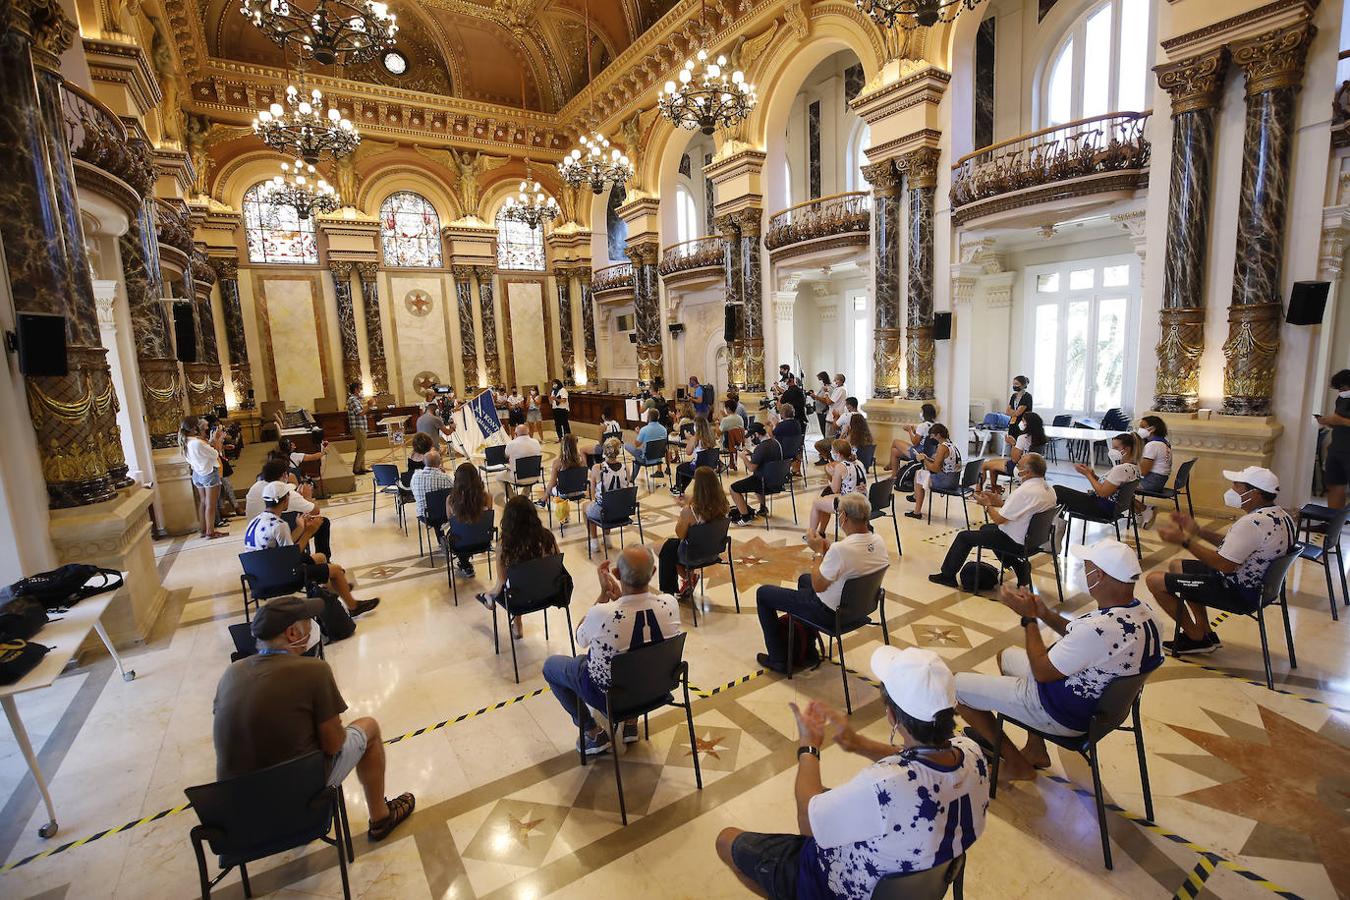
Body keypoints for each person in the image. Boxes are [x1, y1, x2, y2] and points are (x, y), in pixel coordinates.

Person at [717, 647, 987, 899]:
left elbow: (808, 823)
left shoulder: (882, 786)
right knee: (829, 798)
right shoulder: (973, 753)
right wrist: (858, 743)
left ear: (891, 716)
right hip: (928, 878)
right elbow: (919, 762)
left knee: (726, 840)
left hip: (838, 885)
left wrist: (808, 746)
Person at [957, 539, 1162, 781]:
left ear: (1101, 575)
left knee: (958, 688)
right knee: (1006, 657)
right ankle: (1036, 749)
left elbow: (1042, 671)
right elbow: (1079, 633)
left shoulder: (1096, 630)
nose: (1084, 572)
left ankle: (1016, 765)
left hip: (1061, 712)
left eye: (1087, 567)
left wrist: (1029, 619)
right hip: (1102, 710)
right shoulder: (1143, 614)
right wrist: (1043, 612)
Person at [212, 596, 414, 841]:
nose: (313, 627)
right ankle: (381, 818)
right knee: (368, 728)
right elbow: (334, 744)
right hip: (300, 800)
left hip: (241, 811)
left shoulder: (231, 674)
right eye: (309, 622)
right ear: (292, 632)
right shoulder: (314, 671)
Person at [542, 548, 682, 756]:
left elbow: (580, 637)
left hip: (609, 697)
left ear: (616, 574)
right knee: (641, 657)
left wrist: (603, 597)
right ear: (653, 572)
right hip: (656, 688)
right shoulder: (670, 604)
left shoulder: (603, 614)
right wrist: (620, 600)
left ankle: (592, 732)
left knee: (551, 667)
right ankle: (631, 721)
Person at [1146, 466, 1296, 655]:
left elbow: (1223, 564)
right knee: (1178, 566)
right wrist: (1198, 532)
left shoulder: (1251, 523)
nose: (1232, 489)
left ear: (1255, 493)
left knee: (1154, 581)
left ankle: (1194, 637)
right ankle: (1205, 632)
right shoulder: (1280, 515)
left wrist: (1184, 541)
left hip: (1238, 592)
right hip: (1260, 589)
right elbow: (1235, 548)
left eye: (1237, 486)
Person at [755, 493, 888, 673]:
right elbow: (851, 563)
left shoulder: (841, 549)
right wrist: (827, 549)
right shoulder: (878, 541)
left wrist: (818, 552)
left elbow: (819, 585)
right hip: (860, 609)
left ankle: (778, 659)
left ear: (844, 517)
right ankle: (808, 648)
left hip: (830, 614)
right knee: (804, 580)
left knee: (764, 594)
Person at [242, 482, 377, 617]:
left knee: (321, 558)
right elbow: (292, 556)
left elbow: (285, 548)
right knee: (335, 569)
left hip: (259, 578)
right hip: (279, 578)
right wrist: (309, 531)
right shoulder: (279, 525)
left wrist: (301, 528)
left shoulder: (256, 521)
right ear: (285, 500)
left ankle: (333, 591)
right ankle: (353, 606)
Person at [929, 453, 1057, 590]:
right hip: (1034, 541)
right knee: (985, 529)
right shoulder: (1049, 490)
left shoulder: (1024, 491)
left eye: (1018, 466)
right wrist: (999, 502)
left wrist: (987, 505)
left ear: (1027, 472)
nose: (1016, 467)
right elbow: (1023, 509)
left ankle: (947, 576)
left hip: (1014, 541)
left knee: (964, 537)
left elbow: (999, 520)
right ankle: (1019, 566)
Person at [476, 495, 559, 639]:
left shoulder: (505, 544)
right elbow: (557, 565)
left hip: (520, 599)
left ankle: (514, 621)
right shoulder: (547, 537)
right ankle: (490, 597)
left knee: (514, 584)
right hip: (549, 592)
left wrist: (495, 592)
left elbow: (502, 581)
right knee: (523, 579)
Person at [659, 466, 729, 602]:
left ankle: (676, 586)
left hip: (692, 555)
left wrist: (684, 512)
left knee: (666, 549)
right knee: (670, 548)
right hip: (714, 552)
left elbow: (680, 535)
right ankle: (687, 578)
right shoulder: (724, 505)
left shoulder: (689, 512)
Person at [1053, 432, 1140, 520]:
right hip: (1111, 507)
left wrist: (1087, 475)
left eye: (1116, 448)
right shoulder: (1134, 468)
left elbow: (1102, 493)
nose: (1112, 450)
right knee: (1058, 492)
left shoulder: (1121, 469)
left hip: (1103, 508)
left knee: (1057, 490)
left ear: (1127, 449)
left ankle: (1048, 526)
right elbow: (1110, 487)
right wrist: (1093, 475)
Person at [807, 439, 867, 539]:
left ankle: (811, 535)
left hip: (849, 502)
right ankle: (821, 532)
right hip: (862, 498)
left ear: (838, 454)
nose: (831, 453)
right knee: (824, 498)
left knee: (816, 503)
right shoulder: (858, 462)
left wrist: (832, 476)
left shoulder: (840, 466)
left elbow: (835, 489)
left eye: (832, 451)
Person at [181, 416, 227, 539]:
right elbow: (216, 453)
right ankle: (210, 532)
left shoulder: (186, 441)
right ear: (194, 428)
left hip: (197, 473)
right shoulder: (198, 443)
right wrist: (217, 439)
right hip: (209, 473)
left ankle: (203, 530)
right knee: (211, 504)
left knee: (203, 502)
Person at [979, 411, 1047, 492]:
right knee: (992, 465)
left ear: (1028, 424)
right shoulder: (1042, 439)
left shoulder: (1023, 438)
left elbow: (1014, 459)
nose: (1021, 423)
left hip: (1019, 468)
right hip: (1035, 470)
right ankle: (994, 488)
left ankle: (978, 491)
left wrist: (1013, 444)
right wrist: (1015, 444)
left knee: (984, 465)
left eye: (1023, 421)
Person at [730, 426, 785, 525]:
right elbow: (765, 459)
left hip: (765, 483)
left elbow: (751, 468)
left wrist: (743, 457)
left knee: (733, 488)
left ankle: (745, 517)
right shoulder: (776, 443)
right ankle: (763, 508)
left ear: (756, 434)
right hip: (778, 481)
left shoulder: (761, 447)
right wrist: (752, 454)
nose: (751, 439)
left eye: (751, 437)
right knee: (753, 480)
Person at [905, 423, 961, 519]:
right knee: (921, 474)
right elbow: (941, 463)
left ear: (938, 435)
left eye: (932, 436)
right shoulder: (951, 444)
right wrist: (927, 458)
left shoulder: (942, 447)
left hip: (947, 481)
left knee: (919, 474)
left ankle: (917, 511)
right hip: (954, 479)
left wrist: (923, 460)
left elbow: (935, 468)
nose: (931, 438)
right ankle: (916, 498)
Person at [587, 438, 634, 546]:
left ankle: (594, 542)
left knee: (586, 507)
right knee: (612, 500)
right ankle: (607, 538)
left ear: (604, 451)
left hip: (606, 513)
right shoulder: (626, 468)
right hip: (622, 511)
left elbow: (592, 493)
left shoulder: (597, 467)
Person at [1316, 369, 1350, 510]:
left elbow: (1343, 420)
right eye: (1339, 389)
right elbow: (1340, 421)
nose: (1341, 392)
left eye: (1343, 388)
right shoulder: (1341, 399)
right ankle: (1331, 522)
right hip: (1337, 448)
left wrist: (1340, 420)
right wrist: (1328, 421)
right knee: (1334, 485)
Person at [1134, 415, 1172, 528]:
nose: (1139, 429)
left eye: (1142, 427)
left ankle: (1144, 509)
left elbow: (1143, 472)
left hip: (1152, 481)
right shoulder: (1163, 443)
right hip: (1159, 480)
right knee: (1120, 484)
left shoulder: (1153, 445)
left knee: (1118, 488)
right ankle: (1140, 512)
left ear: (1152, 429)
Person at [539, 434, 587, 524]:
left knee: (552, 487)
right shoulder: (581, 460)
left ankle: (543, 501)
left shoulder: (558, 463)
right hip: (579, 491)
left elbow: (552, 483)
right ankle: (544, 501)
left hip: (564, 493)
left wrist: (546, 495)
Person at [884, 403, 938, 473]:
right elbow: (925, 438)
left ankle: (890, 464)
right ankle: (894, 475)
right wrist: (915, 432)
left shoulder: (922, 426)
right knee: (894, 451)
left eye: (921, 412)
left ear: (924, 414)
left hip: (919, 453)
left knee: (895, 441)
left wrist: (909, 431)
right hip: (930, 453)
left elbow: (915, 442)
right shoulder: (937, 425)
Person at [673, 416, 717, 496]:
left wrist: (690, 439)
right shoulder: (711, 437)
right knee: (687, 466)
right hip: (710, 465)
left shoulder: (694, 439)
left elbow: (688, 452)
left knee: (680, 468)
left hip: (698, 467)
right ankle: (681, 488)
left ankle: (679, 488)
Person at [811, 374, 848, 461]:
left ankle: (828, 458)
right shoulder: (839, 389)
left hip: (833, 418)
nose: (834, 382)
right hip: (834, 416)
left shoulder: (840, 389)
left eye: (836, 380)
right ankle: (829, 458)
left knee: (829, 440)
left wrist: (827, 392)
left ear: (840, 381)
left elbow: (829, 402)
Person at [409, 449, 454, 520]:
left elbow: (413, 490)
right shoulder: (445, 477)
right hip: (443, 514)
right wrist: (443, 473)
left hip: (423, 515)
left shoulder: (415, 476)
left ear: (424, 462)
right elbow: (454, 493)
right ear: (439, 463)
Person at [624, 409, 668, 480]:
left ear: (648, 417)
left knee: (626, 445)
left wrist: (638, 434)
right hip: (658, 459)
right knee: (638, 457)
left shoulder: (644, 429)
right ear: (658, 417)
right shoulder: (664, 429)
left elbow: (637, 444)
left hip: (646, 459)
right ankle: (632, 478)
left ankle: (631, 478)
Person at [504, 424, 543, 494]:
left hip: (518, 477)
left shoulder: (511, 444)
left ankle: (513, 498)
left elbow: (506, 455)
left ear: (515, 434)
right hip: (535, 475)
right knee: (528, 470)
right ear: (528, 433)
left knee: (499, 477)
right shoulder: (536, 442)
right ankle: (523, 499)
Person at [347, 381, 373, 474]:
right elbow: (360, 413)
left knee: (362, 447)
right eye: (359, 388)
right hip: (358, 427)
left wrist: (369, 406)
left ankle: (362, 467)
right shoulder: (353, 400)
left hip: (360, 427)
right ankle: (356, 469)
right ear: (355, 389)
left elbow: (362, 410)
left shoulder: (356, 399)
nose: (360, 390)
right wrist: (369, 406)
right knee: (362, 448)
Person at [719, 399, 746, 471]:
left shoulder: (725, 420)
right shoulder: (740, 418)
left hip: (727, 444)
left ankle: (720, 465)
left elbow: (719, 433)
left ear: (727, 408)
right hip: (739, 443)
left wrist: (716, 423)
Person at [811, 371, 832, 438]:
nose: (819, 381)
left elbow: (826, 401)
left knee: (825, 430)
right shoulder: (823, 387)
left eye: (820, 379)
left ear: (824, 379)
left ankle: (827, 445)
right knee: (822, 429)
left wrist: (816, 397)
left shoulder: (829, 388)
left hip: (824, 412)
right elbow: (819, 398)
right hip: (819, 411)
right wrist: (814, 397)